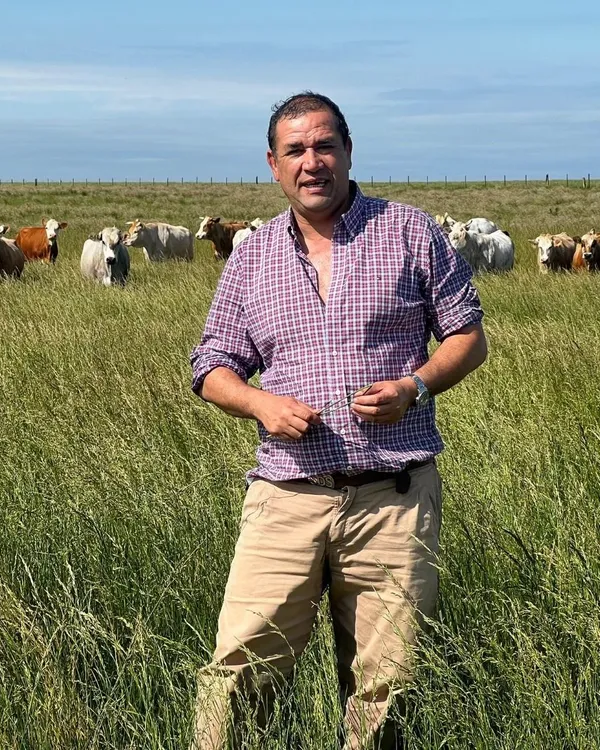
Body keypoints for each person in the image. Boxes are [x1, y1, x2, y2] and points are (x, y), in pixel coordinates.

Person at [189, 92, 487, 749]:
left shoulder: (410, 231)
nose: (312, 162)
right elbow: (211, 365)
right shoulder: (252, 254)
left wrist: (416, 385)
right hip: (285, 500)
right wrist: (261, 403)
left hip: (393, 501)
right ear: (273, 165)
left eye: (325, 146)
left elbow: (469, 336)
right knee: (238, 676)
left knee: (387, 691)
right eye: (295, 150)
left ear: (350, 152)